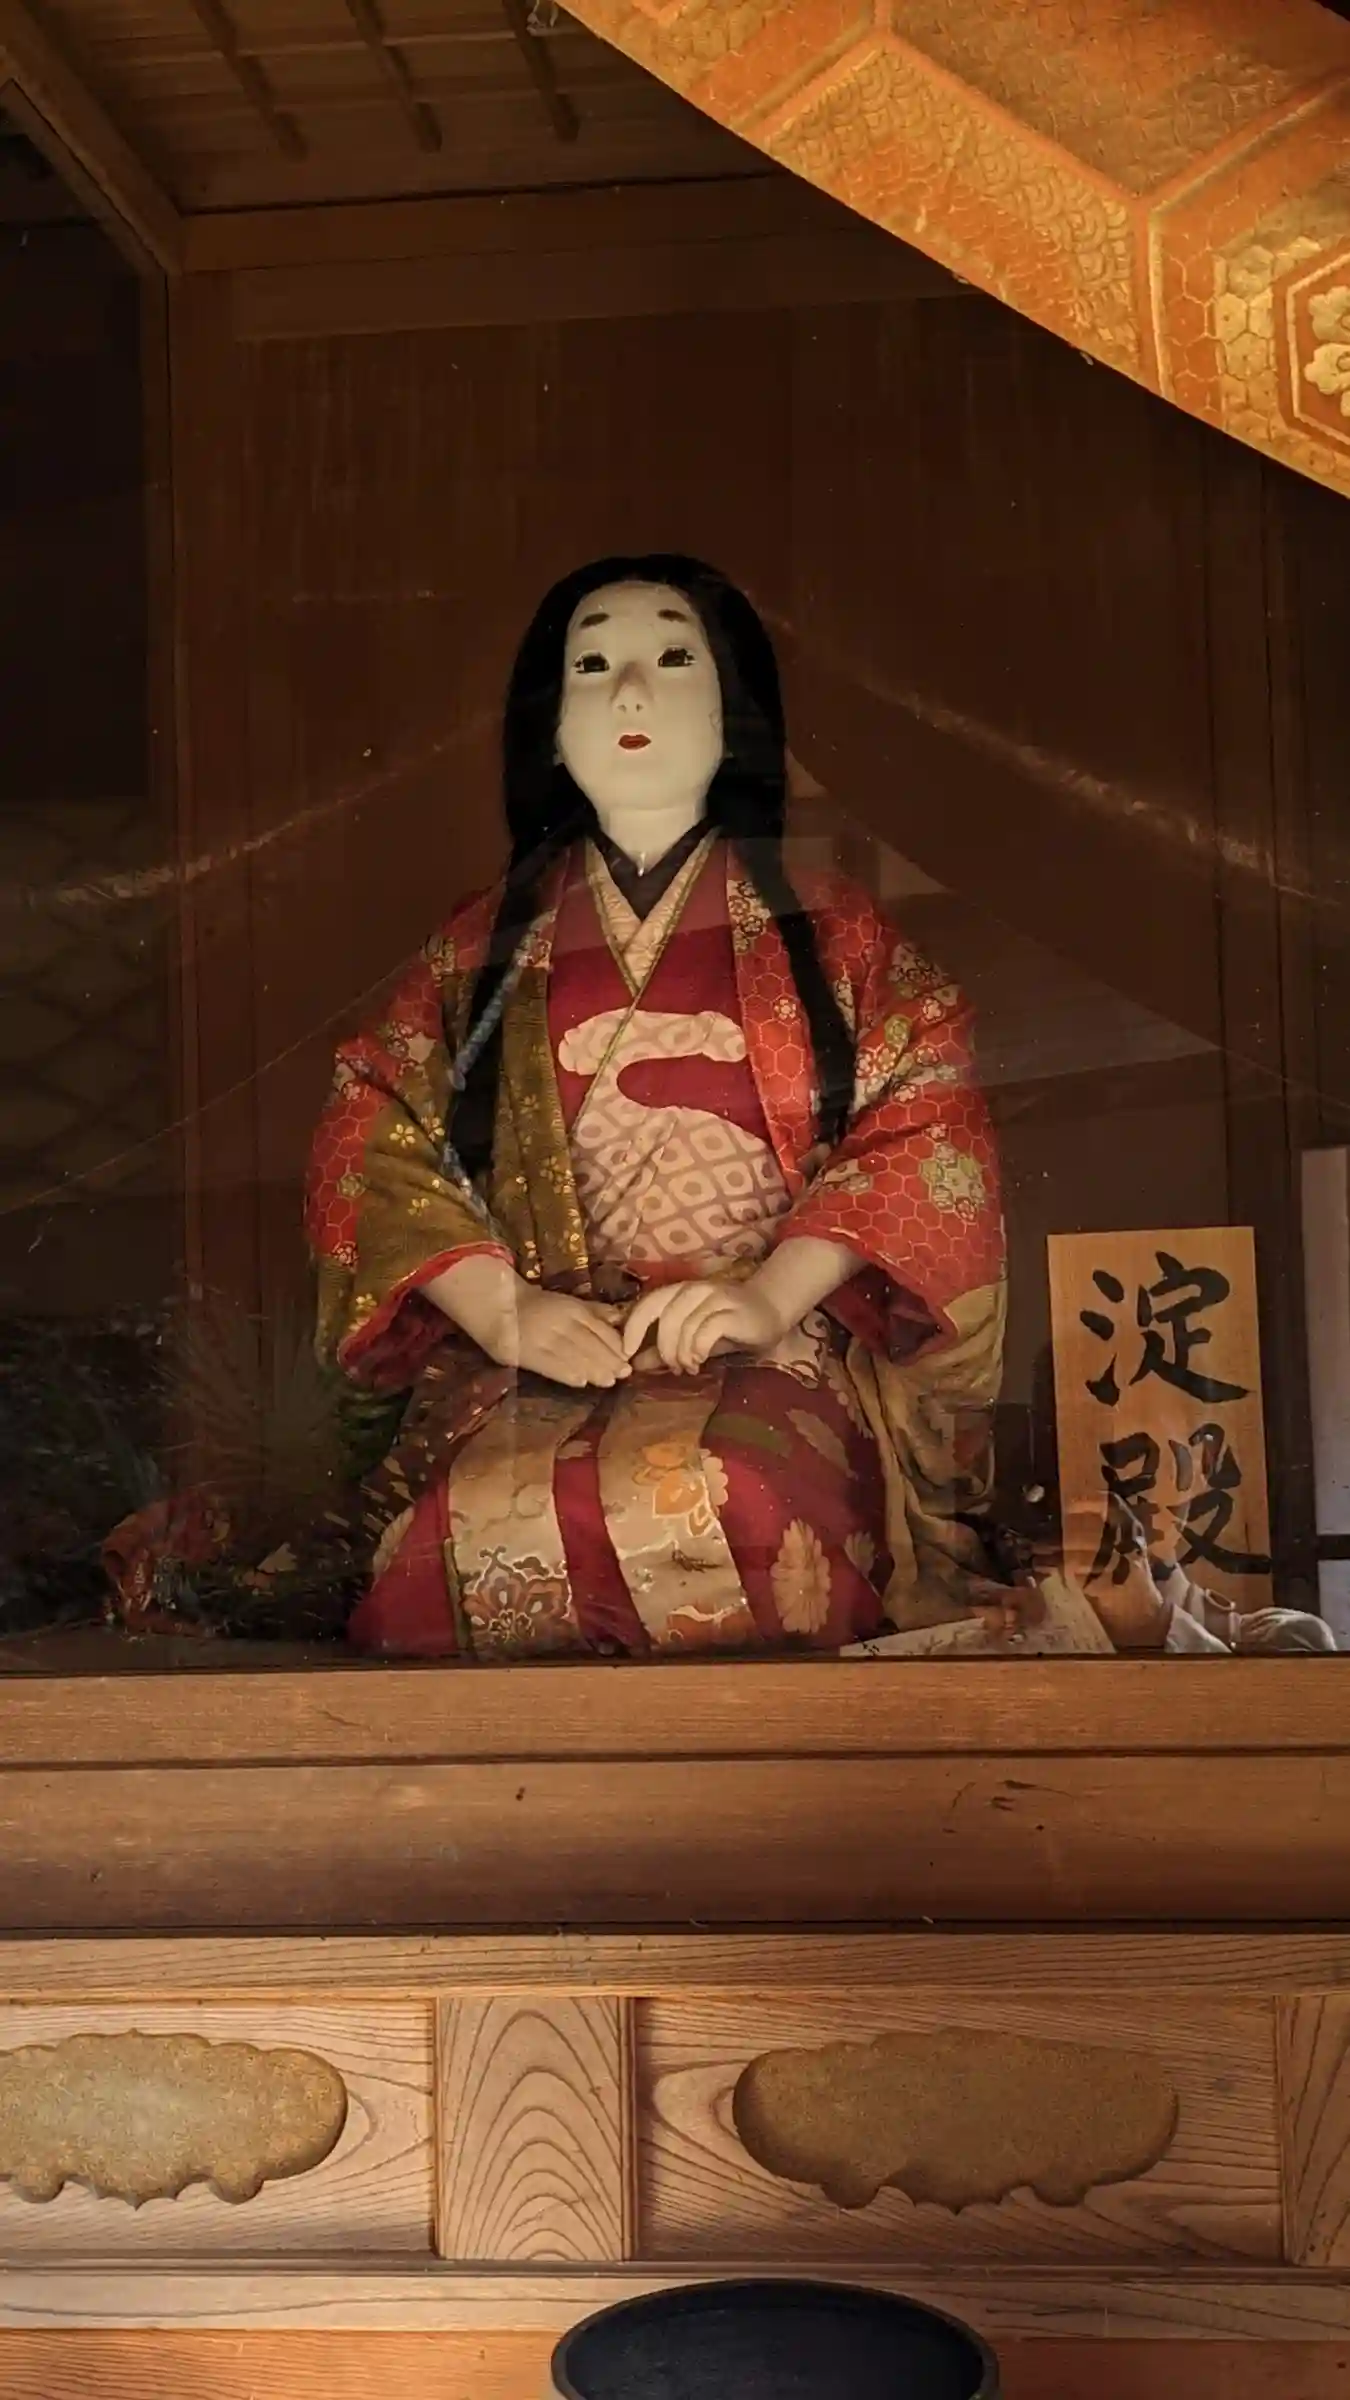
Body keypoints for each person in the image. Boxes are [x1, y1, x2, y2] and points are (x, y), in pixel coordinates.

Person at [303, 555, 1018, 1658]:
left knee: (732, 1499)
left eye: (674, 658)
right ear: (550, 729)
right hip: (548, 1343)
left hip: (764, 1341)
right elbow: (373, 1123)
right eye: (593, 666)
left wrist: (767, 1299)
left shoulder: (834, 933)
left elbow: (925, 1118)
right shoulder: (482, 951)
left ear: (735, 714)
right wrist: (504, 1310)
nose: (631, 691)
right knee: (461, 1529)